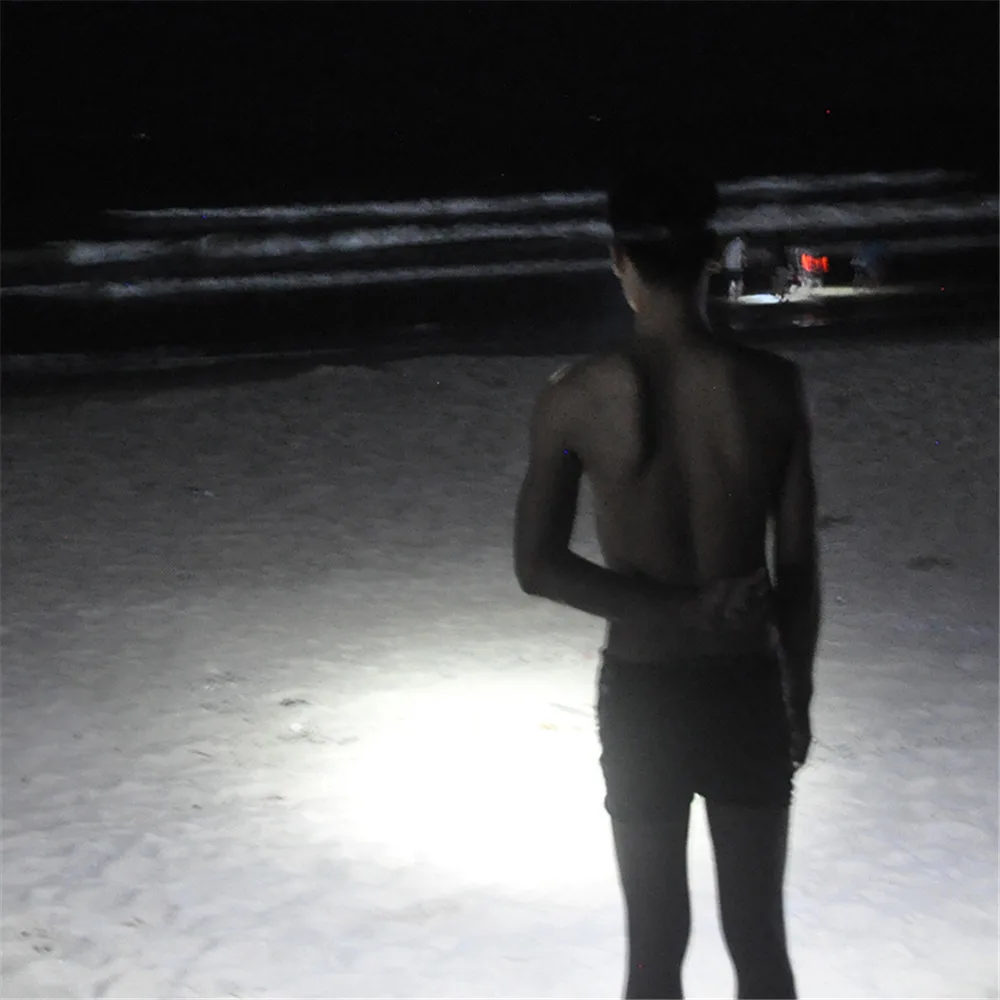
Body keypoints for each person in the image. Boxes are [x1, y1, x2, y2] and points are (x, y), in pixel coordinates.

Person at [513, 165, 820, 1000]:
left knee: (653, 947)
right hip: (746, 682)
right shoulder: (770, 385)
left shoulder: (576, 396)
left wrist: (673, 610)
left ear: (620, 260)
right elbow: (796, 565)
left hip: (644, 687)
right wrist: (798, 689)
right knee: (758, 937)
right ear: (713, 254)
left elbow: (537, 566)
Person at [722, 234, 747, 302]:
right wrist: (745, 264)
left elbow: (724, 254)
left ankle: (731, 297)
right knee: (739, 282)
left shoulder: (729, 243)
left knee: (731, 281)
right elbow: (743, 255)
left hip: (728, 267)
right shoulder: (741, 243)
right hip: (736, 267)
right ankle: (738, 297)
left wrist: (723, 265)